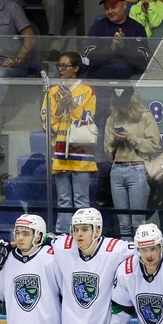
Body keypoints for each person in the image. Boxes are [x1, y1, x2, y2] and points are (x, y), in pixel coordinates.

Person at [51, 207, 131, 324]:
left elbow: (148, 245)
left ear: (97, 230)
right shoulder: (63, 246)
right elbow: (42, 237)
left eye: (85, 229)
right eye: (76, 229)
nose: (79, 234)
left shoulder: (114, 249)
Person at [0, 213, 62, 324]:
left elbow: (67, 294)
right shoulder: (8, 259)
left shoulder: (51, 257)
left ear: (39, 236)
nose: (20, 238)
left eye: (26, 233)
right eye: (17, 232)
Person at [43, 53, 98, 226]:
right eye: (59, 65)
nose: (60, 69)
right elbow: (47, 125)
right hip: (59, 150)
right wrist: (59, 108)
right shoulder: (51, 91)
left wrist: (72, 105)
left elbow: (88, 121)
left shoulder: (87, 90)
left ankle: (85, 235)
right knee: (63, 200)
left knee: (82, 200)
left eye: (65, 66)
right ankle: (62, 237)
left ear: (75, 69)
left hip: (81, 151)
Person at [103, 85, 161, 237]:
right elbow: (107, 150)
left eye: (124, 102)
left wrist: (131, 138)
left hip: (138, 168)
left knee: (138, 222)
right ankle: (128, 258)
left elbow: (153, 145)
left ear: (132, 100)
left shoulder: (145, 116)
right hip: (117, 168)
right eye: (118, 103)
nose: (121, 106)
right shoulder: (112, 119)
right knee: (123, 224)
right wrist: (115, 140)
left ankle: (141, 256)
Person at [84, 0, 149, 81]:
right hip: (98, 82)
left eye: (114, 7)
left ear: (124, 5)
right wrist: (112, 48)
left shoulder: (136, 28)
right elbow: (88, 59)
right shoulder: (97, 27)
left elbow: (143, 61)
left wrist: (123, 46)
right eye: (106, 8)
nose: (110, 11)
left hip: (126, 83)